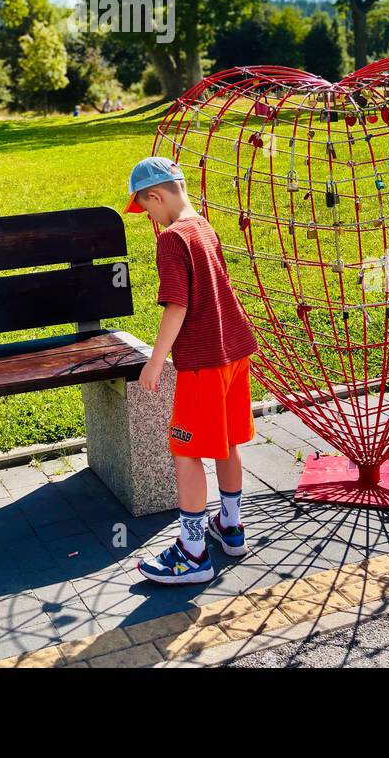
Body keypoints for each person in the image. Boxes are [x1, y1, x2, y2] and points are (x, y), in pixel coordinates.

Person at [124, 156, 257, 585]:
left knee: (186, 452)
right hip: (236, 351)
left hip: (202, 362)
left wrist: (155, 361)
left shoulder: (172, 239)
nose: (149, 217)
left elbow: (177, 305)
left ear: (157, 196)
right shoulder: (204, 226)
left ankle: (193, 552)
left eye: (147, 209)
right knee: (229, 441)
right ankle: (231, 527)